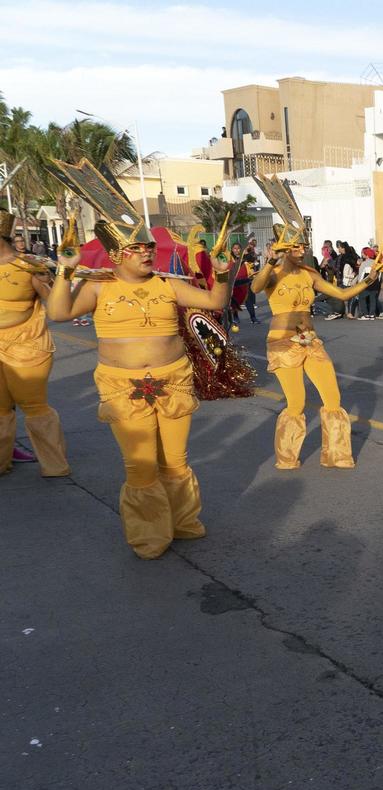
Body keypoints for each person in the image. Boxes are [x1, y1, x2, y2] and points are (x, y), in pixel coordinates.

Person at [45, 158, 241, 558]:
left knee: (176, 461)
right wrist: (66, 271)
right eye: (137, 249)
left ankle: (183, 521)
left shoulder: (169, 286)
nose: (147, 253)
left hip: (174, 379)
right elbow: (59, 313)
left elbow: (214, 302)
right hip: (122, 385)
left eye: (149, 247)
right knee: (140, 466)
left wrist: (222, 273)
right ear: (117, 255)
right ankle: (150, 534)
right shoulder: (98, 288)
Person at [250, 176, 381, 470]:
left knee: (332, 396)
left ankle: (337, 454)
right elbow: (256, 288)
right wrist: (270, 261)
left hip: (311, 340)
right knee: (296, 402)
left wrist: (369, 280)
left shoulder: (310, 274)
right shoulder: (274, 273)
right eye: (296, 247)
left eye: (303, 246)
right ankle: (287, 457)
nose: (302, 250)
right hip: (282, 343)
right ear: (285, 248)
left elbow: (342, 293)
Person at [0, 208, 68, 478]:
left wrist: (52, 280)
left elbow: (56, 307)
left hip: (26, 345)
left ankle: (54, 465)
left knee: (35, 406)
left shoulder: (29, 266)